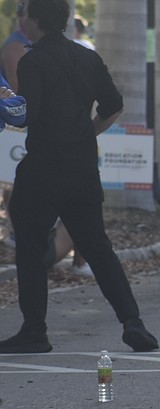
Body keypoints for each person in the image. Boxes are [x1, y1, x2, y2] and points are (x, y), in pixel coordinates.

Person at [0, 0, 158, 354]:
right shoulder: (88, 57)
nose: (21, 17)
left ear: (36, 19)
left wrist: (7, 101)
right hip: (83, 168)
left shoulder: (32, 60)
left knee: (30, 247)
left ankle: (34, 330)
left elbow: (28, 116)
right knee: (98, 247)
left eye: (25, 12)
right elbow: (113, 105)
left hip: (42, 168)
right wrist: (86, 133)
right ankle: (133, 322)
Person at [0, 2, 30, 246]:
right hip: (15, 126)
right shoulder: (14, 46)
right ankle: (15, 231)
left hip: (21, 119)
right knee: (11, 180)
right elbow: (15, 92)